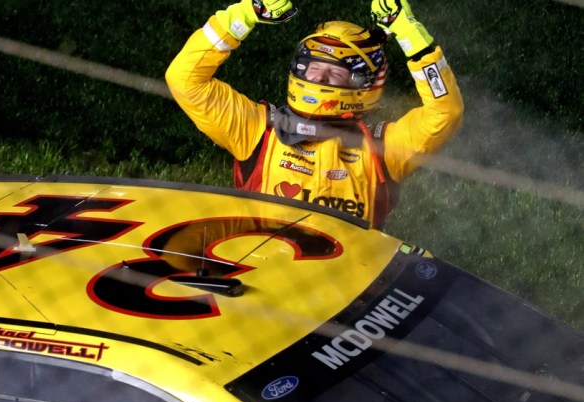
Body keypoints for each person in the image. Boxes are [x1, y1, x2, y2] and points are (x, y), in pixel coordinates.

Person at [165, 0, 464, 230]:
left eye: (335, 71)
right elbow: (184, 80)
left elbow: (445, 112)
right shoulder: (257, 128)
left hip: (347, 298)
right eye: (313, 66)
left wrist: (411, 34)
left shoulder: (384, 148)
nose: (319, 78)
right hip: (261, 285)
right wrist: (243, 15)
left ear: (364, 85)